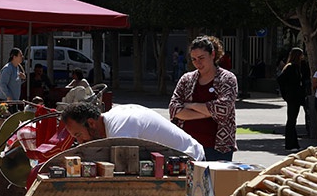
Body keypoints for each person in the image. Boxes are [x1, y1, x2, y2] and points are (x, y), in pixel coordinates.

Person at [169, 35, 238, 161]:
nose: (198, 63)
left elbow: (223, 108)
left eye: (201, 58)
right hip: (188, 146)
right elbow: (174, 109)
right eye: (194, 59)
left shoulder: (227, 78)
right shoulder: (186, 79)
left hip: (218, 148)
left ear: (212, 54)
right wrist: (208, 113)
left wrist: (191, 105)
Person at [61, 101, 205, 161]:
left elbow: (124, 167)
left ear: (91, 123)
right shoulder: (112, 120)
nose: (80, 142)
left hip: (191, 159)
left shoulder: (120, 127)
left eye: (78, 135)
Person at [277, 47, 310, 150]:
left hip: (295, 96)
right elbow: (281, 80)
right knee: (291, 120)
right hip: (293, 96)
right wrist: (286, 93)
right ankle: (290, 144)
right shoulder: (290, 67)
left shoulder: (297, 66)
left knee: (293, 120)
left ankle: (294, 143)